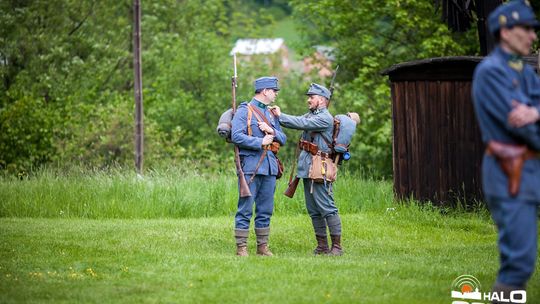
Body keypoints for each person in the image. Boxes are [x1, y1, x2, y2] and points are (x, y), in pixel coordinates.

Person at [472, 0, 540, 297]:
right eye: (526, 29)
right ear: (506, 31)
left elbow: (534, 108)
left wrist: (536, 111)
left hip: (531, 169)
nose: (532, 36)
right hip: (509, 172)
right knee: (519, 262)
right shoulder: (491, 71)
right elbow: (519, 126)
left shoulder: (523, 72)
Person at [271, 83, 343, 256]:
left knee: (327, 207)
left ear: (322, 100)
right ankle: (322, 246)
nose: (309, 100)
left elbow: (300, 122)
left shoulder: (324, 118)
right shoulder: (312, 115)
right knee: (313, 210)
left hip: (320, 168)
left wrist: (280, 115)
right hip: (308, 168)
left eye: (312, 97)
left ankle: (337, 247)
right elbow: (300, 119)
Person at [230, 76, 287, 257]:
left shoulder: (271, 114)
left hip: (269, 167)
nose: (276, 94)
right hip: (251, 166)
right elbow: (236, 136)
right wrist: (260, 141)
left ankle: (262, 247)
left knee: (266, 208)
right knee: (245, 207)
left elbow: (283, 139)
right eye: (274, 91)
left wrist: (272, 131)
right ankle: (242, 248)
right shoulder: (244, 111)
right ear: (264, 91)